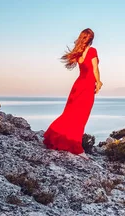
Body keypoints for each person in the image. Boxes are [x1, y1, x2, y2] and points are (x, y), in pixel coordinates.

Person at [43, 28, 103, 158]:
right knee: (81, 116)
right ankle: (76, 148)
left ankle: (55, 136)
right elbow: (95, 69)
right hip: (86, 87)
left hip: (78, 85)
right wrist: (98, 82)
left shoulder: (79, 53)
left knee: (70, 114)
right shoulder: (92, 51)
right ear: (91, 40)